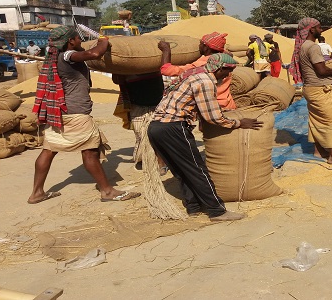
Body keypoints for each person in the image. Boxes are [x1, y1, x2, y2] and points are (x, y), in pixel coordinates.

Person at [28, 26, 140, 204]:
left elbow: (86, 52)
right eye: (78, 38)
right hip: (76, 114)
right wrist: (104, 41)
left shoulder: (56, 57)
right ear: (70, 41)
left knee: (49, 150)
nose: (80, 41)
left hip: (61, 112)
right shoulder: (68, 55)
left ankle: (37, 192)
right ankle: (107, 191)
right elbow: (94, 55)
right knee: (90, 152)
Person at [147, 53, 263, 221]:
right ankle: (217, 211)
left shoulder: (194, 75)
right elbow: (213, 117)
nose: (227, 75)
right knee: (197, 170)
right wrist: (238, 123)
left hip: (156, 127)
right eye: (227, 71)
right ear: (219, 68)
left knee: (182, 171)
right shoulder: (205, 81)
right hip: (173, 127)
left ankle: (193, 207)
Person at [290, 17, 332, 166]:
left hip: (312, 88)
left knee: (317, 120)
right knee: (330, 121)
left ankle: (319, 151)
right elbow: (322, 70)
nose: (321, 30)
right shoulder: (313, 47)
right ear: (312, 30)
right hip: (319, 90)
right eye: (319, 28)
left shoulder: (305, 46)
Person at [159, 31, 236, 110]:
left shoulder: (203, 64)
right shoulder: (226, 61)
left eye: (201, 44)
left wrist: (166, 50)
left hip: (213, 107)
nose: (199, 46)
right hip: (228, 105)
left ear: (206, 47)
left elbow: (166, 70)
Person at [112, 72, 167, 174]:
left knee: (157, 134)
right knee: (140, 134)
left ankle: (161, 161)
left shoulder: (153, 62)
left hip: (157, 102)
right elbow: (116, 80)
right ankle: (143, 159)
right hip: (136, 104)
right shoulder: (125, 65)